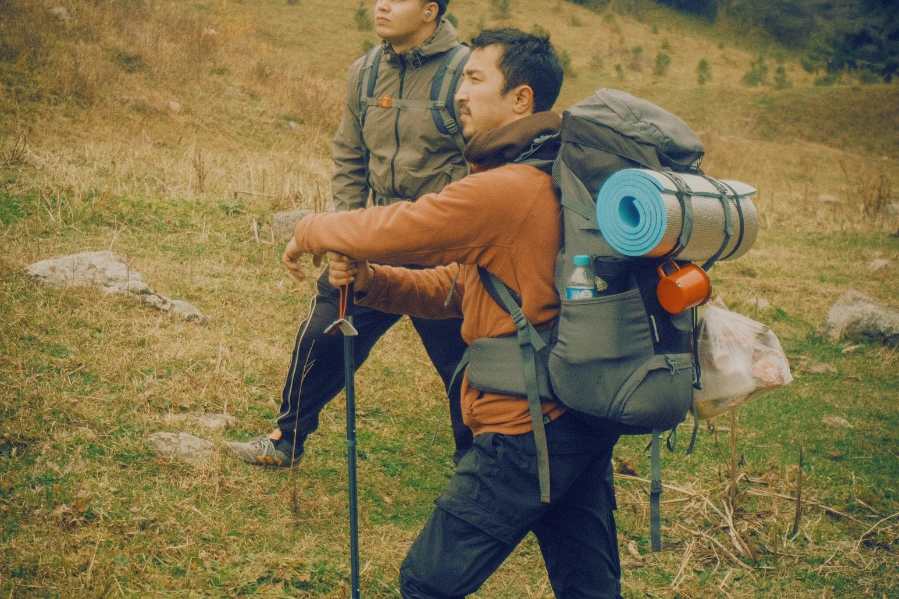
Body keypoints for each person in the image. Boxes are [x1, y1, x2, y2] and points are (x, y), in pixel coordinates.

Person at [283, 28, 624, 599]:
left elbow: (403, 227)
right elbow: (459, 289)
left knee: (427, 583)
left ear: (521, 99)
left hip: (526, 431)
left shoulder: (507, 188)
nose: (459, 93)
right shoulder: (551, 174)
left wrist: (310, 228)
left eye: (474, 78)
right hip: (578, 419)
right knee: (588, 587)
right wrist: (369, 282)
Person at [226, 0, 473, 467]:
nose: (380, 4)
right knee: (322, 334)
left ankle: (478, 469)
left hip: (444, 250)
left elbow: (481, 166)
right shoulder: (365, 71)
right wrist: (348, 231)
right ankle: (285, 441)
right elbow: (349, 155)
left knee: (465, 363)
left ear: (429, 11)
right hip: (377, 239)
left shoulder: (465, 75)